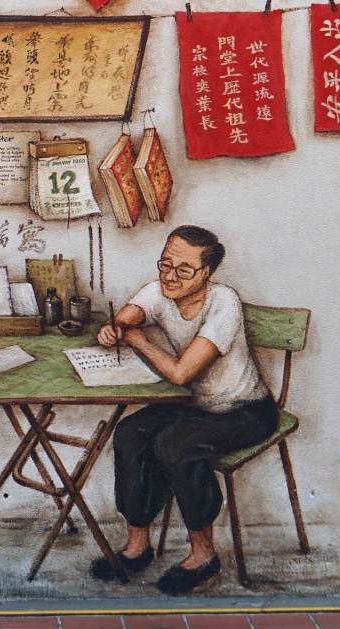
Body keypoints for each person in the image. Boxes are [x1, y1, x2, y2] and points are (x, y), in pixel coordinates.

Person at [93, 225, 278, 595]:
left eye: (183, 269)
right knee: (130, 433)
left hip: (245, 410)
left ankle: (203, 554)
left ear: (206, 272)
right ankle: (137, 545)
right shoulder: (159, 289)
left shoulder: (223, 302)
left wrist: (139, 341)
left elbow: (180, 373)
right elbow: (126, 317)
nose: (169, 276)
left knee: (175, 446)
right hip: (195, 407)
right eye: (165, 264)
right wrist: (114, 328)